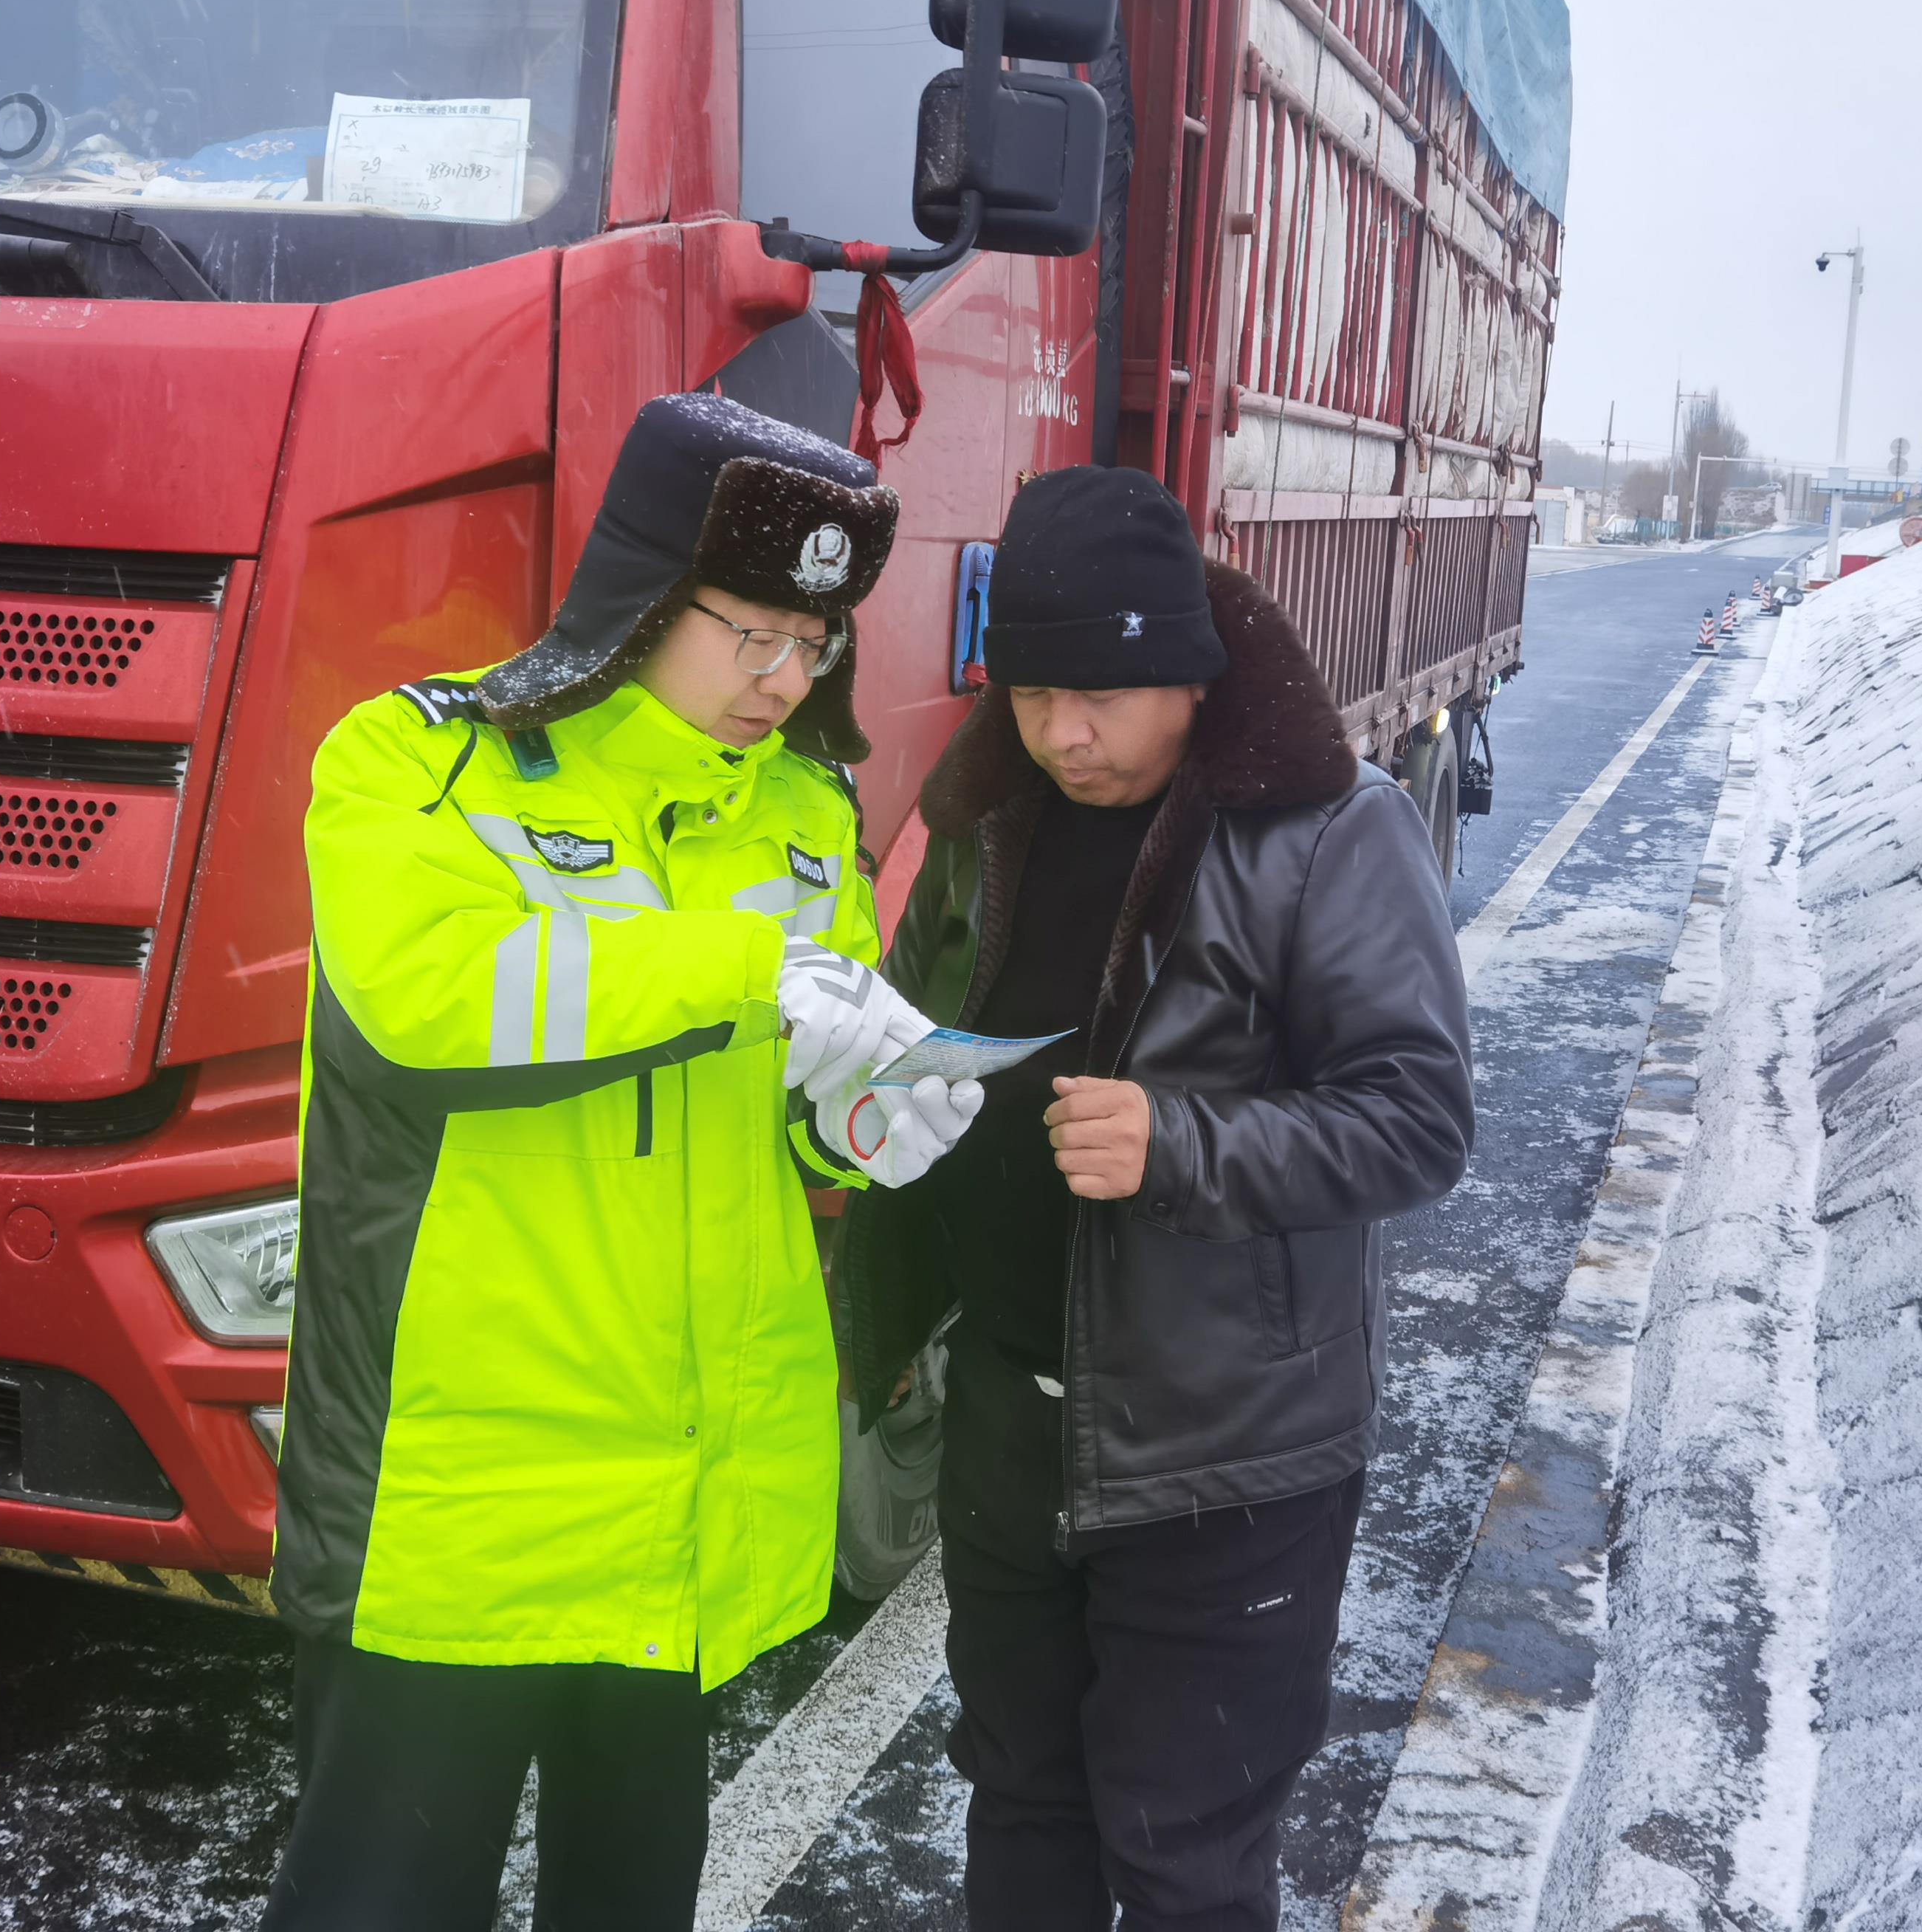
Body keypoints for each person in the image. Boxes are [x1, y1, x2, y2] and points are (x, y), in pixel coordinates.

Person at [264, 393, 982, 1932]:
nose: (782, 681)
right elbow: (432, 1002)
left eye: (815, 646)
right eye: (752, 635)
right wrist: (744, 966)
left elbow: (784, 1087)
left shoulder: (802, 810)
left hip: (684, 1511)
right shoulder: (421, 764)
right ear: (646, 595)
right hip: (461, 1510)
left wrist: (863, 1115)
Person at [844, 464, 1476, 1932]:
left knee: (1185, 1861)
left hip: (1220, 1461)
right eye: (1032, 694)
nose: (1063, 733)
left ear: (1186, 670)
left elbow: (1418, 1119)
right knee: (1022, 1807)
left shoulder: (1328, 830)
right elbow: (909, 1029)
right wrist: (864, 1095)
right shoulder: (986, 817)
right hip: (1010, 1427)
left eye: (1102, 696)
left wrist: (1179, 1144)